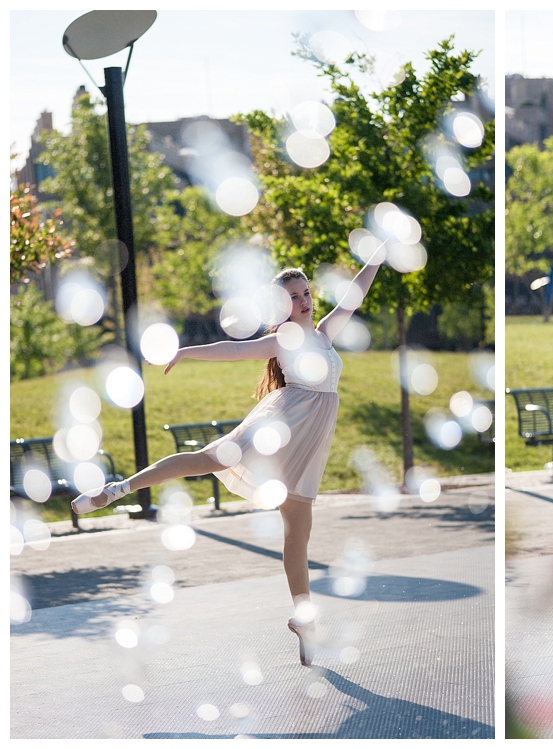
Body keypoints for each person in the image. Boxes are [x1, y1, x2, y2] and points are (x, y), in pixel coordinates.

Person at [72, 253, 383, 665]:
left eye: (306, 292)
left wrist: (377, 255)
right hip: (281, 426)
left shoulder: (325, 335)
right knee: (209, 459)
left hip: (309, 443)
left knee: (298, 533)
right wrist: (184, 352)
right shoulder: (283, 340)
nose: (304, 300)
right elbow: (230, 350)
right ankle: (118, 489)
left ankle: (303, 619)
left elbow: (353, 296)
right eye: (293, 296)